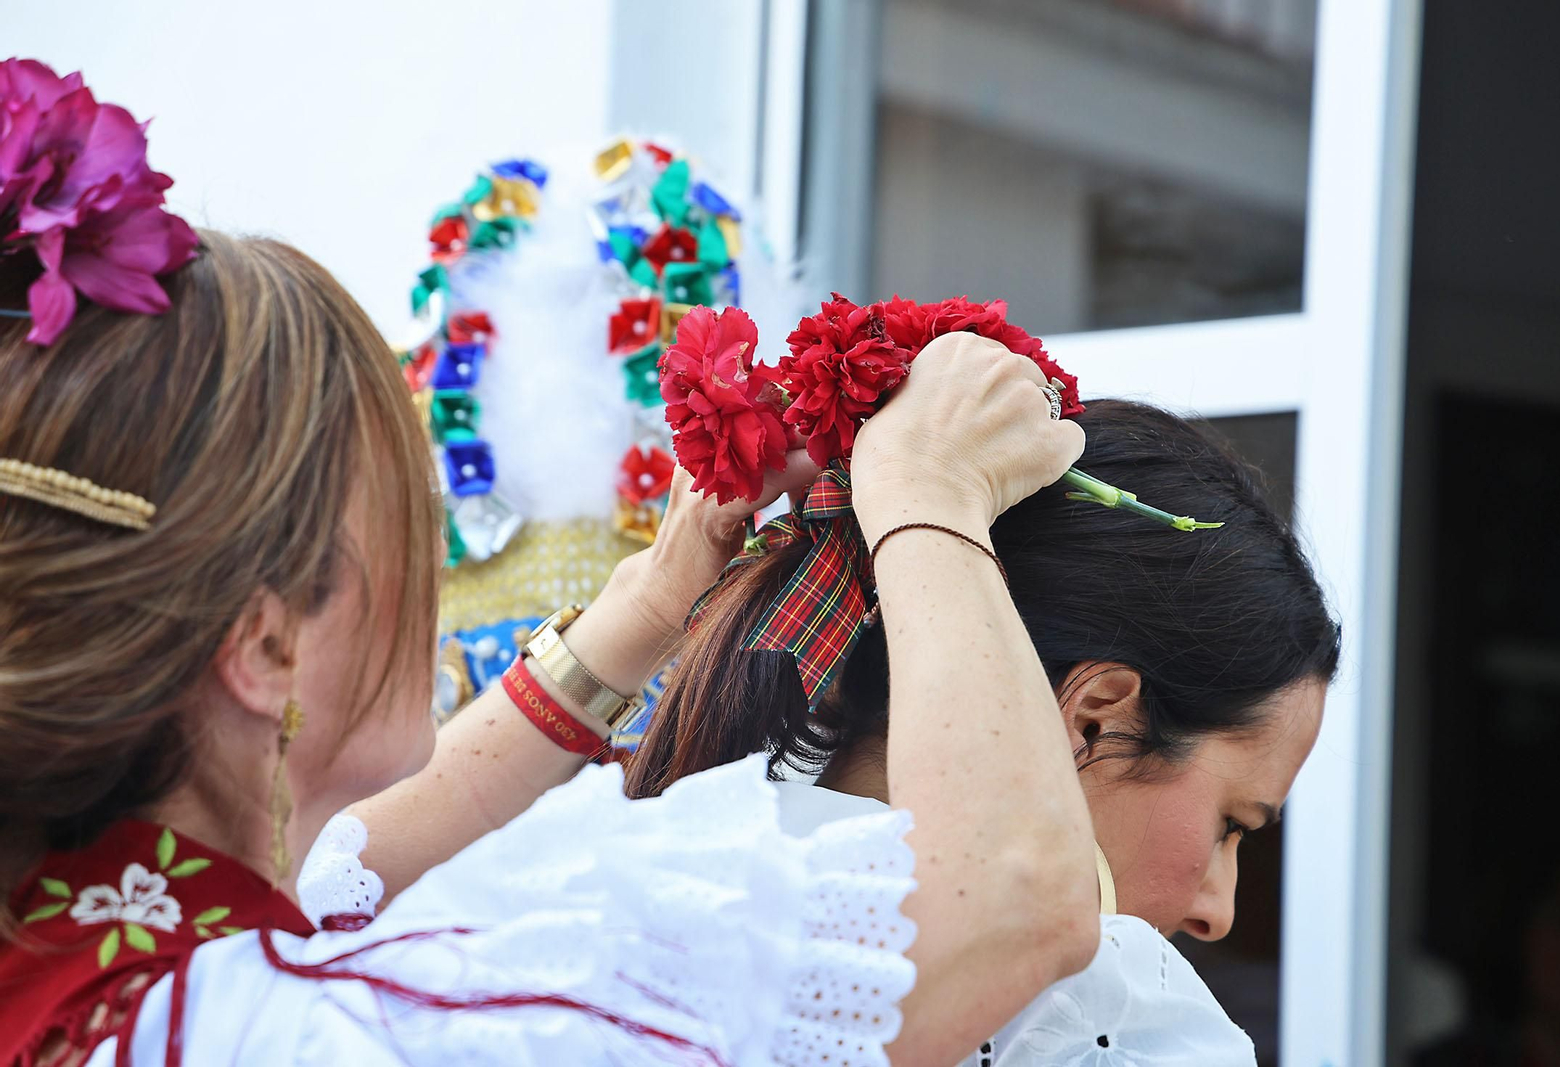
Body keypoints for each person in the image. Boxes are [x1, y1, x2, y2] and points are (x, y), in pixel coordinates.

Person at [0, 57, 1109, 1064]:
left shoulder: (89, 945)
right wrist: (930, 494)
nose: (436, 560)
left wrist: (652, 602)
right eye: (409, 514)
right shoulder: (304, 1034)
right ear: (265, 648)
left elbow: (374, 846)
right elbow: (1005, 900)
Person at [628, 397, 1342, 1065]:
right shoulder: (1108, 1012)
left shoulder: (654, 873)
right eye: (1230, 825)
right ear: (1093, 718)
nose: (1219, 910)